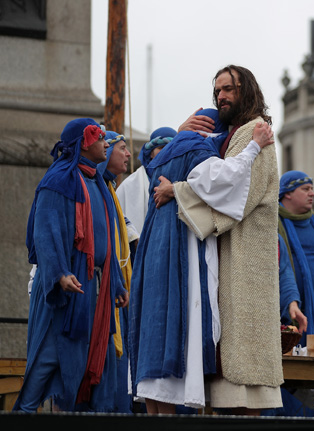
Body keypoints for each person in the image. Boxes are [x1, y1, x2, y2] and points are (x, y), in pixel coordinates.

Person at [128, 107, 272, 414]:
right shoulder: (198, 148)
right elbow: (223, 180)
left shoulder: (167, 151)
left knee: (156, 323)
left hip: (154, 247)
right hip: (179, 246)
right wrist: (253, 146)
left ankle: (155, 414)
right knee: (178, 322)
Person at [158, 65, 282, 414]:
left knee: (247, 373)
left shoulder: (255, 132)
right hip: (229, 257)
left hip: (248, 260)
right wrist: (182, 132)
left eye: (229, 89)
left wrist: (177, 190)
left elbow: (235, 194)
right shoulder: (230, 136)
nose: (221, 96)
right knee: (228, 365)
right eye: (217, 91)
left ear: (247, 90)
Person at [15, 118, 128, 412]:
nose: (107, 143)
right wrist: (60, 273)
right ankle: (22, 415)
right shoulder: (58, 180)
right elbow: (45, 232)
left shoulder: (98, 185)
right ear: (83, 143)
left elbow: (109, 244)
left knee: (96, 357)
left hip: (94, 289)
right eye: (100, 138)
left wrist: (115, 282)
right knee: (48, 357)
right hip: (66, 290)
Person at [274, 170, 314, 417]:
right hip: (289, 319)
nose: (312, 193)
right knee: (295, 377)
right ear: (287, 193)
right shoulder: (274, 222)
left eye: (312, 188)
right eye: (306, 189)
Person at [97, 131, 133, 413]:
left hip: (117, 291)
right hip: (100, 292)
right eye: (122, 148)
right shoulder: (95, 188)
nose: (129, 154)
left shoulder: (110, 190)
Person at [115, 127, 177, 249]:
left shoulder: (184, 182)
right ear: (151, 153)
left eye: (170, 148)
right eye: (160, 148)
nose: (166, 152)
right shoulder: (128, 186)